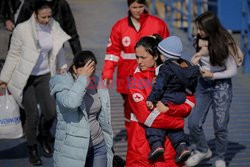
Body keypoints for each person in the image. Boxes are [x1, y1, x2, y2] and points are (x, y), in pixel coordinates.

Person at [0, 1, 70, 165]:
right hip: (25, 78)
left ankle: (43, 135)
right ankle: (32, 148)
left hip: (45, 75)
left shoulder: (54, 26)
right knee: (32, 114)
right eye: (43, 17)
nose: (47, 20)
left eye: (49, 16)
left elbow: (59, 48)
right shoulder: (22, 30)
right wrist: (3, 79)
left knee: (51, 112)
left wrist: (62, 66)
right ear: (35, 14)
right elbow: (13, 55)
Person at [126, 35, 196, 167]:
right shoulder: (135, 81)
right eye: (137, 57)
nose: (139, 62)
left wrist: (170, 109)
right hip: (142, 150)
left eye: (143, 57)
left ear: (156, 56)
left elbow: (190, 102)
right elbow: (146, 116)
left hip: (169, 151)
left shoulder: (174, 74)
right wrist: (178, 121)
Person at [185, 12, 244, 167]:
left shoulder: (224, 43)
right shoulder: (198, 39)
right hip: (203, 85)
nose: (198, 32)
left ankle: (220, 157)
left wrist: (212, 75)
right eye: (197, 28)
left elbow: (232, 71)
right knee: (193, 123)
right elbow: (201, 60)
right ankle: (203, 149)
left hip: (221, 86)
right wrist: (195, 62)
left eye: (201, 29)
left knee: (220, 126)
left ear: (210, 28)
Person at [102, 0, 169, 128]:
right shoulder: (120, 26)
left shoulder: (158, 24)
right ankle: (131, 133)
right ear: (128, 7)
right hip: (126, 75)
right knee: (129, 107)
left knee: (152, 103)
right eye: (134, 7)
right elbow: (112, 51)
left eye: (141, 6)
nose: (138, 10)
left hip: (152, 75)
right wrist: (107, 72)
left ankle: (153, 134)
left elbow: (166, 50)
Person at [49, 50, 113, 167]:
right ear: (75, 68)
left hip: (98, 145)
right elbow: (71, 103)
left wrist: (108, 141)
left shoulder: (97, 82)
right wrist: (83, 79)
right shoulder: (61, 83)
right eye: (86, 69)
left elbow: (103, 116)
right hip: (74, 149)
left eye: (92, 68)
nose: (90, 73)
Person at [145, 36, 200, 162]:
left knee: (153, 126)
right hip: (180, 98)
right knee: (174, 127)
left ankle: (156, 145)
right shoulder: (188, 69)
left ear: (164, 56)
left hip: (167, 98)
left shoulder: (165, 68)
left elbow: (159, 87)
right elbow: (191, 88)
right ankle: (182, 147)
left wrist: (151, 98)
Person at [3, 0, 81, 55]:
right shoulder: (29, 5)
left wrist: (81, 63)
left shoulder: (62, 5)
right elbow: (16, 35)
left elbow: (73, 36)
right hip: (30, 59)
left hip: (54, 59)